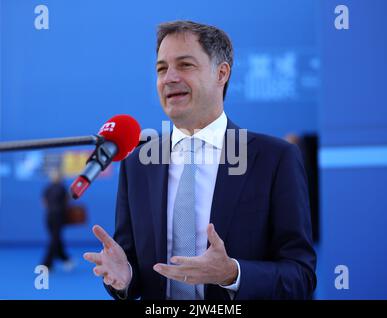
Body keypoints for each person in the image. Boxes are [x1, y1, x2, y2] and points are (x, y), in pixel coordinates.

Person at [83, 20, 317, 300]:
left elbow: (301, 277)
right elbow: (132, 269)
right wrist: (124, 278)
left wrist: (233, 273)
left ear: (221, 73)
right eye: (161, 69)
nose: (169, 78)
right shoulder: (138, 164)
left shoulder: (275, 159)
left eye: (185, 65)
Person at [41, 169, 74, 271]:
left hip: (50, 216)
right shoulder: (61, 188)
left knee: (55, 239)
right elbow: (68, 201)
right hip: (57, 216)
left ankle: (57, 261)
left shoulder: (48, 188)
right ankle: (52, 262)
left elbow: (44, 202)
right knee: (55, 239)